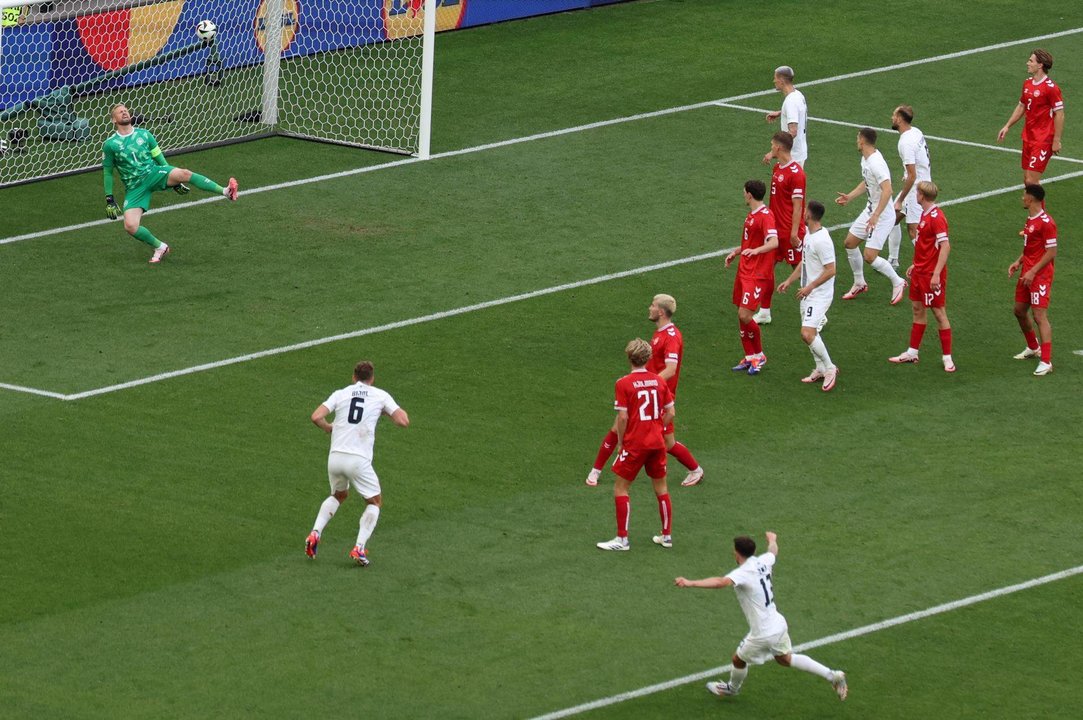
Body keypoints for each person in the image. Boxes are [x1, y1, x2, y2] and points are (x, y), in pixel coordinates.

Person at [675, 532, 848, 702]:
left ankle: (731, 689)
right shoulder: (763, 560)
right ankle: (832, 675)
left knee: (738, 659)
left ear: (737, 552)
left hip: (763, 632)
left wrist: (690, 583)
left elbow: (721, 582)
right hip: (778, 623)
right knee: (784, 658)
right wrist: (773, 539)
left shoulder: (744, 572)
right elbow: (773, 551)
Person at [586, 294, 704, 488]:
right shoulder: (660, 333)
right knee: (617, 426)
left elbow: (671, 368)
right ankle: (595, 471)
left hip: (658, 396)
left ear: (660, 312)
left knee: (667, 443)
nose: (649, 308)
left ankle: (696, 470)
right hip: (648, 392)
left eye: (652, 305)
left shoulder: (671, 337)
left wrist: (648, 383)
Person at [102, 103, 239, 263]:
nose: (124, 112)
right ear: (113, 120)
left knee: (184, 173)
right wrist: (109, 199)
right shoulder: (110, 145)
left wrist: (174, 180)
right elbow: (108, 172)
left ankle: (225, 191)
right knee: (130, 226)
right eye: (120, 112)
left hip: (153, 174)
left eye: (126, 110)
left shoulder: (145, 134)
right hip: (134, 187)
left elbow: (159, 158)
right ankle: (159, 246)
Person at [305, 360, 410, 566]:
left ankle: (315, 533)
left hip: (335, 457)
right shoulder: (380, 395)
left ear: (354, 377)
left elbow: (316, 416)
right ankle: (359, 548)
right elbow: (403, 421)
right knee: (374, 502)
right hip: (358, 460)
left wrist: (328, 428)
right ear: (372, 379)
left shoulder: (341, 393)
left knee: (339, 495)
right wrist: (386, 410)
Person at [596, 338, 675, 551]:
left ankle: (622, 539)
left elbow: (622, 418)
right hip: (657, 442)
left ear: (629, 357)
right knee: (662, 488)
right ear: (648, 358)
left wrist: (621, 442)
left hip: (635, 443)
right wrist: (658, 428)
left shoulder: (623, 383)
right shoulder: (659, 381)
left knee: (621, 488)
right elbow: (671, 412)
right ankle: (666, 536)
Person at [887, 182, 956, 372]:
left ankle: (947, 358)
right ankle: (912, 352)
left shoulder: (937, 217)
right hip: (920, 272)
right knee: (918, 310)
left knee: (939, 313)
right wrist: (916, 264)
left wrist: (935, 274)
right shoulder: (925, 215)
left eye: (916, 192)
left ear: (921, 196)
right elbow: (927, 246)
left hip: (931, 276)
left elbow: (945, 247)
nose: (915, 195)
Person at [835, 128, 908, 304]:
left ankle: (898, 282)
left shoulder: (876, 163)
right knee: (850, 243)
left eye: (857, 138)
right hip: (871, 211)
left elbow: (888, 190)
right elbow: (868, 181)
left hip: (882, 216)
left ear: (862, 141)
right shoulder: (866, 159)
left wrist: (876, 215)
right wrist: (850, 196)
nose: (856, 141)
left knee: (870, 256)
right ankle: (859, 282)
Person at [777, 200, 838, 391]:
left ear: (809, 215)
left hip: (819, 294)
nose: (802, 214)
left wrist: (810, 287)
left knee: (807, 333)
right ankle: (820, 368)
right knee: (809, 334)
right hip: (807, 293)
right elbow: (804, 263)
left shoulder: (822, 240)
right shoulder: (809, 236)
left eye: (805, 211)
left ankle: (830, 368)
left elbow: (831, 270)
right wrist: (789, 280)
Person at [753, 131, 807, 326]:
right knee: (766, 269)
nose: (770, 148)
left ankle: (817, 313)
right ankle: (765, 311)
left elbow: (798, 205)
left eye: (772, 145)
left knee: (802, 271)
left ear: (779, 147)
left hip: (790, 232)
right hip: (774, 231)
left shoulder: (796, 173)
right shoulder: (777, 168)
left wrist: (794, 232)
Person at [727, 180, 778, 376]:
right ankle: (749, 357)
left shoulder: (766, 216)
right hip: (744, 271)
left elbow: (773, 242)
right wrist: (737, 252)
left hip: (757, 274)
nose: (743, 195)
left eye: (744, 192)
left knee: (745, 315)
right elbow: (750, 243)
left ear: (749, 194)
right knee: (740, 312)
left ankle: (759, 355)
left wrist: (756, 251)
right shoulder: (751, 216)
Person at [996, 49, 1065, 185]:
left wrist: (1056, 140)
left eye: (1031, 61)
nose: (1027, 63)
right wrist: (1007, 126)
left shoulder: (1051, 88)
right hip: (1028, 137)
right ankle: (1038, 207)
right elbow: (1021, 106)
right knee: (1027, 180)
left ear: (1040, 65)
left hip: (1043, 139)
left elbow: (1060, 114)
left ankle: (1040, 207)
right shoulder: (1027, 84)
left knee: (1032, 180)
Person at [1009, 184, 1057, 376]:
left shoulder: (1047, 222)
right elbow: (1031, 247)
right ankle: (1033, 347)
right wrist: (1018, 262)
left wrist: (1033, 272)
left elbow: (1051, 252)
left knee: (1039, 316)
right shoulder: (1030, 219)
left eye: (1024, 195)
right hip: (1027, 272)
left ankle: (1046, 361)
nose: (1022, 198)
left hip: (1040, 276)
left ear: (1031, 198)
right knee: (1019, 310)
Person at [887, 105, 932, 269]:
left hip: (917, 189)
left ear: (899, 119)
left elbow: (912, 175)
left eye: (894, 115)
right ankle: (893, 259)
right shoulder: (916, 132)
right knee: (891, 219)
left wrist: (900, 199)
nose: (892, 118)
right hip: (922, 182)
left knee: (913, 230)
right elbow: (922, 160)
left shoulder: (905, 142)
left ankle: (928, 263)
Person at [763, 65, 808, 167]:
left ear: (781, 81)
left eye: (775, 78)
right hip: (799, 152)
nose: (774, 81)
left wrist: (774, 151)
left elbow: (793, 131)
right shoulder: (798, 94)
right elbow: (798, 111)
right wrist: (781, 112)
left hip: (792, 157)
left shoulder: (791, 102)